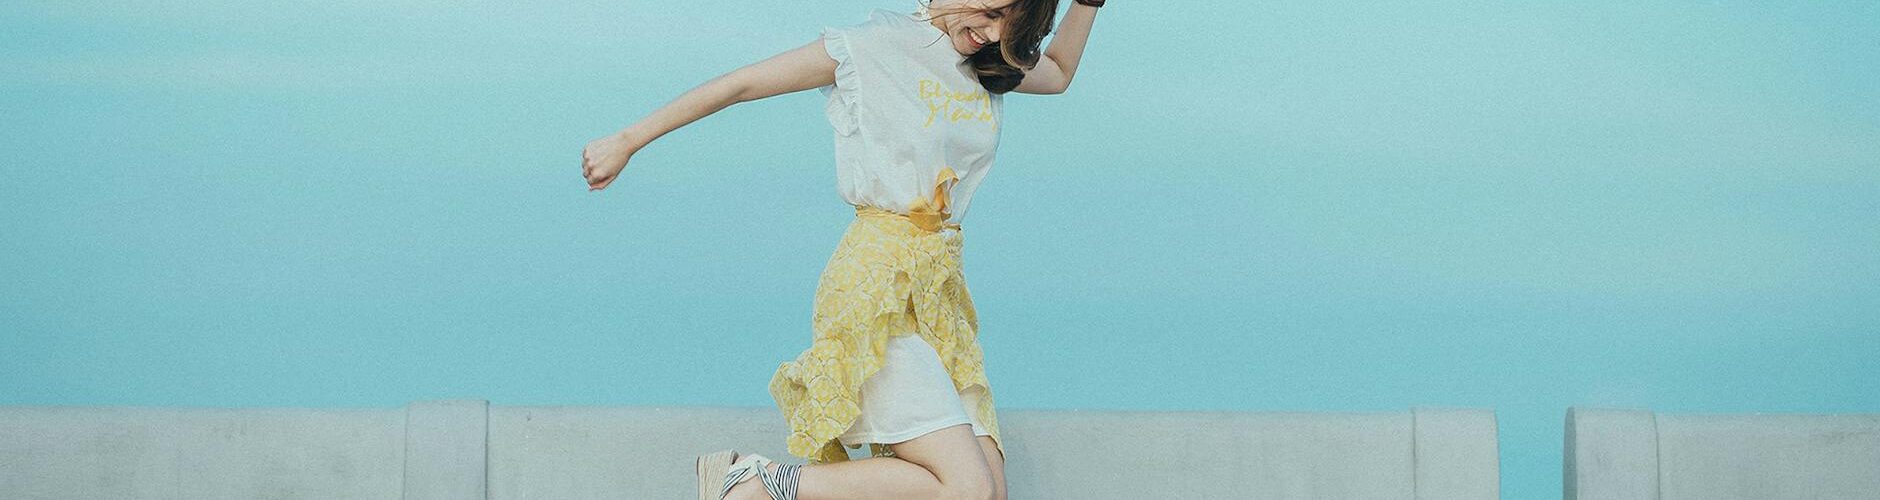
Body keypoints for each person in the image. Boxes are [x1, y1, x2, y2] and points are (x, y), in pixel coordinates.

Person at [580, 0, 1104, 498]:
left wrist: (1088, 4)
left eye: (1009, 24)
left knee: (988, 490)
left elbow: (1056, 72)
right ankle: (756, 482)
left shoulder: (988, 65)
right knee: (966, 488)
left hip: (940, 296)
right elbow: (742, 85)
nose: (992, 34)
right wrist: (627, 140)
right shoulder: (874, 46)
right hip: (876, 285)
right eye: (991, 13)